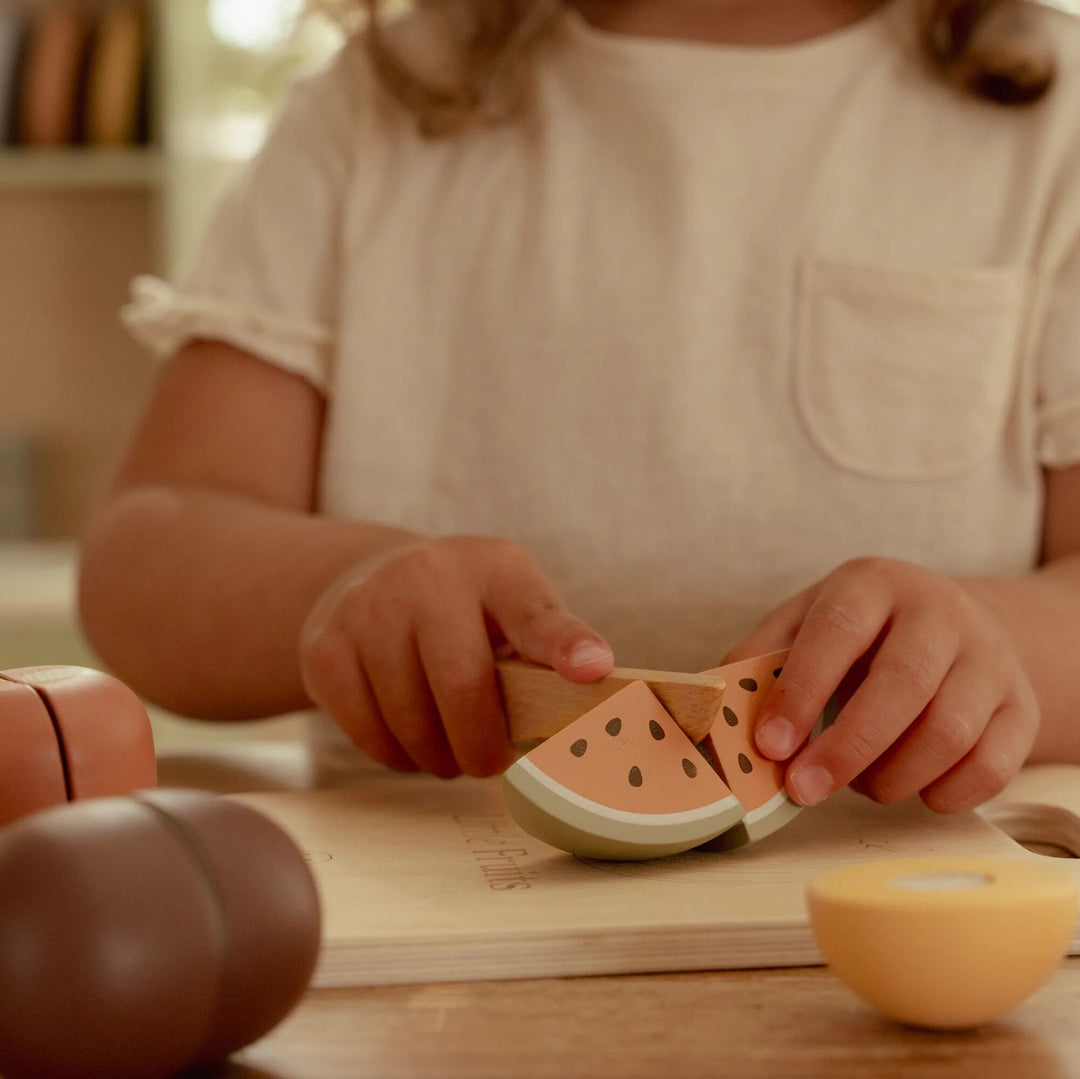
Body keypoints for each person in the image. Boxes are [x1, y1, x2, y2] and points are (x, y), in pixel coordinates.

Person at [78, 0, 1080, 815]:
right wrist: (338, 586)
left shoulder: (1057, 125)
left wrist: (992, 634)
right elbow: (143, 562)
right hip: (433, 943)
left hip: (914, 906)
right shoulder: (366, 113)